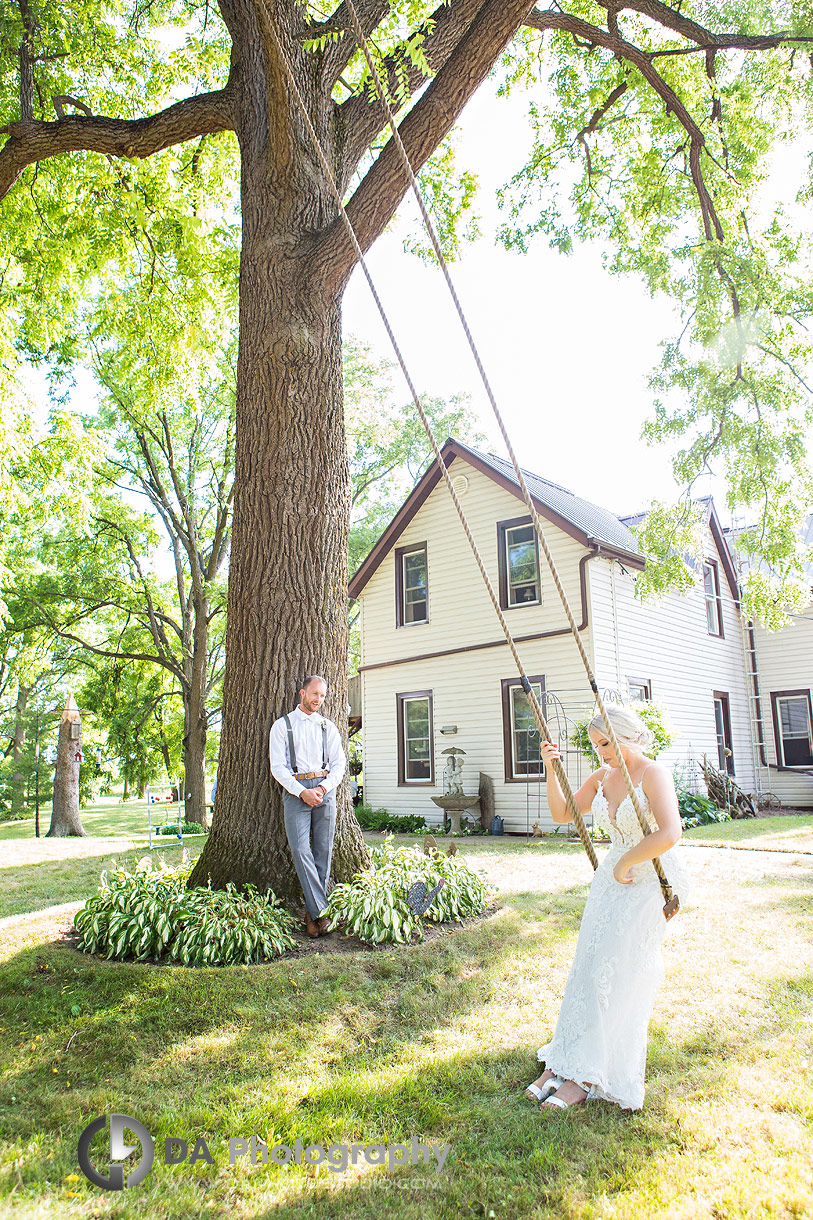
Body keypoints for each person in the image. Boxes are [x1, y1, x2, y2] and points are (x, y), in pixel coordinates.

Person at [525, 703, 688, 1112]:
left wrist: (625, 861)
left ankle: (586, 1075)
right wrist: (551, 766)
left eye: (605, 743)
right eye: (596, 745)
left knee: (615, 972)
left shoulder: (653, 774)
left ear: (626, 735)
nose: (601, 752)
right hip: (612, 881)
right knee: (588, 966)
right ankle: (563, 1061)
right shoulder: (603, 777)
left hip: (649, 879)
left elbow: (671, 832)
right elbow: (563, 813)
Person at [269, 675, 346, 938]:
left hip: (326, 791)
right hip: (295, 791)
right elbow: (277, 767)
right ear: (302, 693)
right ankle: (321, 912)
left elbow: (339, 765)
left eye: (322, 696)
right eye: (315, 694)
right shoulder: (282, 726)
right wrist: (302, 791)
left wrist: (322, 789)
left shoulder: (328, 727)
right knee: (301, 850)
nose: (318, 700)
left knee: (323, 851)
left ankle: (313, 916)